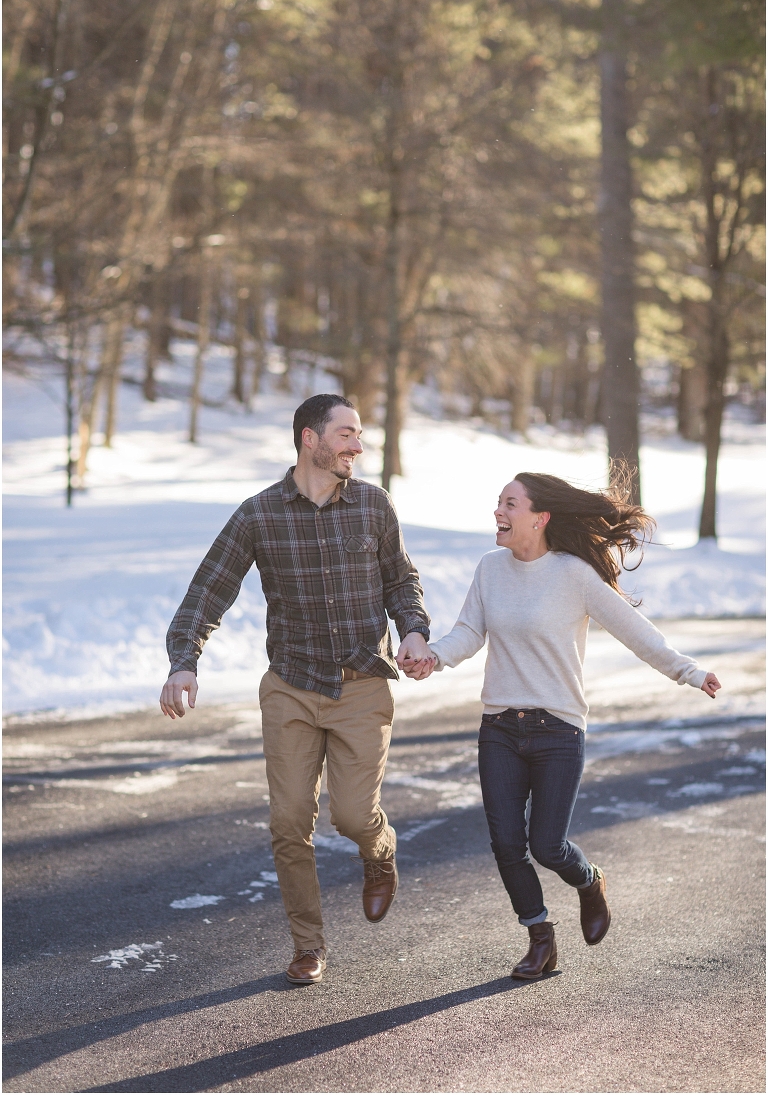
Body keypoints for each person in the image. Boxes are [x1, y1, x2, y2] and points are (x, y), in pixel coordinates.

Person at [402, 470, 721, 980]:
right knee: (507, 842)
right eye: (498, 503)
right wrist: (433, 657)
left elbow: (634, 632)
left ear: (540, 517)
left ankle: (589, 881)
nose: (498, 513)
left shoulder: (573, 574)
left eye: (510, 504)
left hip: (558, 731)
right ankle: (540, 938)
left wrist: (689, 671)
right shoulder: (490, 568)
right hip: (500, 727)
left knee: (548, 845)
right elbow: (468, 631)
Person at [160, 394, 432, 985]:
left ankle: (378, 851)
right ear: (310, 439)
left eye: (359, 436)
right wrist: (185, 661)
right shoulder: (259, 515)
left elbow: (401, 580)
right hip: (290, 685)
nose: (357, 446)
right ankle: (308, 944)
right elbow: (208, 591)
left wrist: (412, 630)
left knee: (355, 817)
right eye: (346, 435)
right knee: (288, 822)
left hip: (362, 685)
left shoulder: (372, 504)